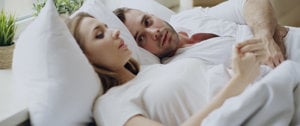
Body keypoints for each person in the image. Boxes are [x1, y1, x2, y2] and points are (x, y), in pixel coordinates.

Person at [65, 12, 261, 126]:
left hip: (255, 94)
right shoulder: (110, 104)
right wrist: (238, 82)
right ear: (83, 57)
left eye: (107, 27)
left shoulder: (154, 68)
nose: (115, 32)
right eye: (99, 35)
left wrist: (241, 67)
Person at [113, 0, 295, 68]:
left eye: (147, 22)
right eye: (141, 38)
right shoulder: (182, 67)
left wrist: (265, 37)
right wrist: (272, 33)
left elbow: (252, 3)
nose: (155, 32)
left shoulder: (187, 18)